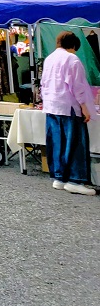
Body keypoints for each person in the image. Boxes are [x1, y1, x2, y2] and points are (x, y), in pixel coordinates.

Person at [41, 32, 96, 195]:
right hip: (68, 106)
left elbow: (44, 83)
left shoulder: (49, 59)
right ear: (73, 46)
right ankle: (75, 179)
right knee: (75, 143)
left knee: (57, 143)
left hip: (51, 105)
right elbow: (77, 87)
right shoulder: (72, 59)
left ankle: (59, 178)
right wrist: (85, 108)